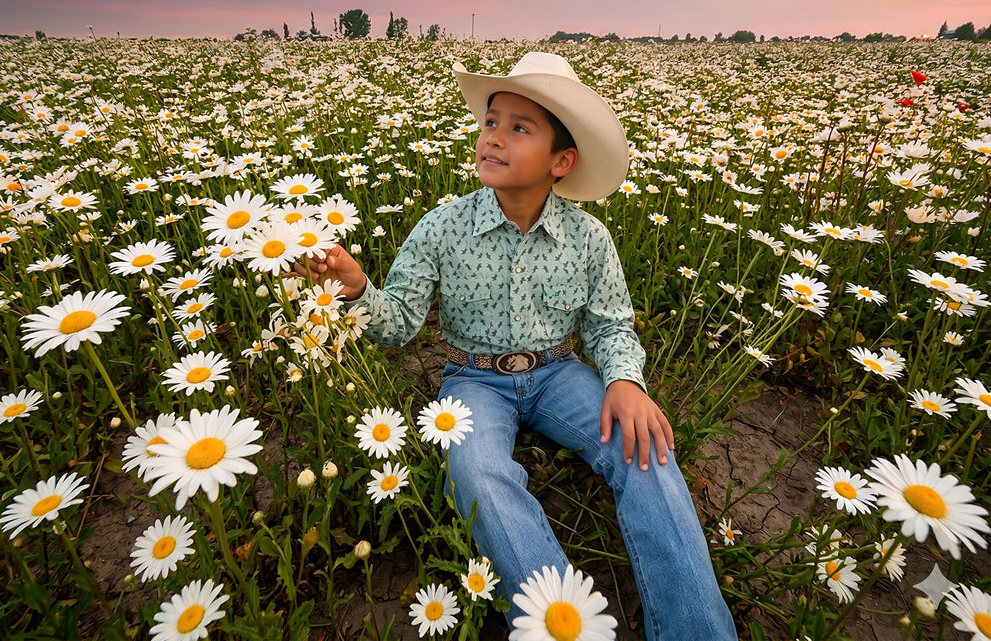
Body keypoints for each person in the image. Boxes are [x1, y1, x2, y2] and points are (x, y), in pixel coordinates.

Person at [301, 52, 737, 640]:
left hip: (562, 373)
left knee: (645, 449)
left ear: (562, 161)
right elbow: (399, 323)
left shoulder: (589, 237)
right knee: (476, 473)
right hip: (472, 380)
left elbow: (610, 326)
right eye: (489, 121)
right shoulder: (441, 226)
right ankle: (562, 625)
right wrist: (357, 291)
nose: (494, 138)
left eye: (518, 127)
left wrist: (625, 382)